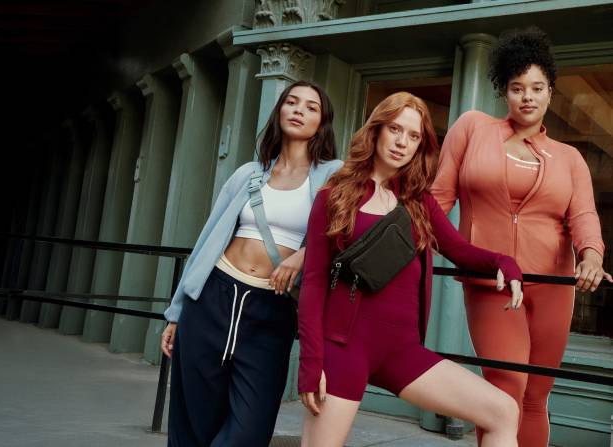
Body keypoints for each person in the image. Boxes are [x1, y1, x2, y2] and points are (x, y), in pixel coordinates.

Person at [298, 91, 525, 447]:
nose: (402, 142)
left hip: (402, 350)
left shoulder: (419, 203)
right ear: (377, 131)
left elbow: (459, 250)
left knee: (503, 410)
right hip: (343, 348)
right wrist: (311, 365)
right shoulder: (334, 197)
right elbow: (312, 285)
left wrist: (504, 263)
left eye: (414, 136)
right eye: (395, 129)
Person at [431, 27, 611, 446]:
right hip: (492, 282)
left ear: (550, 92)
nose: (527, 97)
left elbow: (583, 216)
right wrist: (409, 245)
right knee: (505, 390)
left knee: (535, 396)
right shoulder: (473, 129)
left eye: (537, 87)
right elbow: (437, 202)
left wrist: (591, 256)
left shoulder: (570, 159)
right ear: (504, 91)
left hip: (554, 286)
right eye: (517, 88)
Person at [160, 80, 343, 447]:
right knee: (192, 421)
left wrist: (303, 256)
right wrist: (177, 312)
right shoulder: (247, 173)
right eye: (291, 102)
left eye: (310, 107)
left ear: (321, 123)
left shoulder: (333, 175)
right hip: (212, 297)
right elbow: (206, 241)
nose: (298, 110)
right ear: (279, 113)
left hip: (271, 308)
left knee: (249, 428)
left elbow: (345, 230)